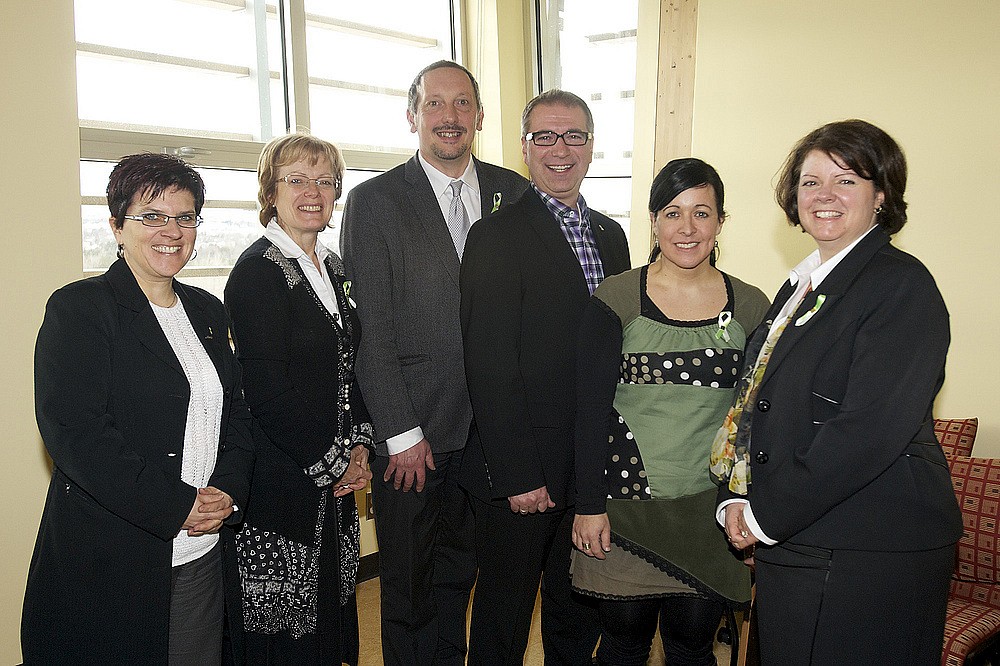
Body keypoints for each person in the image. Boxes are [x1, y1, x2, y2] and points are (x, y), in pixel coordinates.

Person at [712, 119, 962, 664]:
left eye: (846, 180)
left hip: (869, 550)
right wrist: (736, 492)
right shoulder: (801, 286)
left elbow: (869, 430)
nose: (824, 194)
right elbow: (756, 404)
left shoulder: (900, 286)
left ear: (881, 197)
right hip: (804, 537)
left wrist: (764, 515)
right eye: (809, 181)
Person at [21, 153, 255, 664]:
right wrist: (176, 505)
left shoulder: (208, 311)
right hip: (112, 557)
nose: (171, 230)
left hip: (201, 552)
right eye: (151, 216)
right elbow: (76, 435)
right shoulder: (80, 309)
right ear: (116, 226)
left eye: (185, 216)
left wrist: (228, 491)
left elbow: (235, 414)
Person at [340, 60, 527, 665]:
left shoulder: (514, 193)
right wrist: (400, 431)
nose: (449, 117)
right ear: (413, 116)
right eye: (435, 104)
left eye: (462, 103)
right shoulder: (374, 202)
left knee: (466, 578)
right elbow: (371, 329)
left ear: (479, 115)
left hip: (494, 432)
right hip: (415, 433)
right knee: (412, 588)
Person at [572, 158, 769, 665]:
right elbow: (589, 410)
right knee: (622, 644)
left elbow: (756, 420)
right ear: (654, 221)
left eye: (702, 213)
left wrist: (748, 507)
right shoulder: (615, 297)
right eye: (673, 213)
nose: (687, 228)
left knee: (692, 645)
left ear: (721, 222)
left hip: (709, 512)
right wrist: (588, 504)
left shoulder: (750, 306)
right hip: (623, 510)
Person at [460, 89, 631, 664]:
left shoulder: (613, 236)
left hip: (590, 463)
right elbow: (489, 362)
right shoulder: (495, 236)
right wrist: (516, 472)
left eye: (574, 136)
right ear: (525, 149)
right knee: (504, 616)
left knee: (577, 606)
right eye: (545, 137)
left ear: (591, 146)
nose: (561, 150)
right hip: (524, 471)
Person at [224, 132, 374, 664]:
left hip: (335, 477)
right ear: (271, 191)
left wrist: (359, 447)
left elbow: (350, 365)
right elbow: (266, 391)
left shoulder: (333, 267)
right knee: (284, 623)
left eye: (325, 181)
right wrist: (330, 463)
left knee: (331, 607)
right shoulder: (256, 273)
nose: (313, 191)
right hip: (282, 479)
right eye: (297, 179)